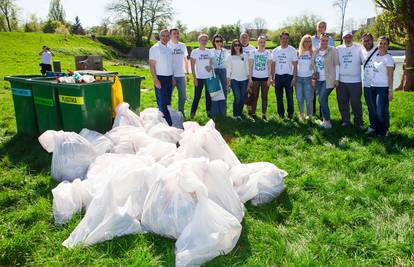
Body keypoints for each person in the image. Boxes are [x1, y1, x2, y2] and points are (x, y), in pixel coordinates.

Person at [311, 33, 339, 129]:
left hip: (329, 79)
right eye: (323, 40)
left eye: (326, 41)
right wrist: (314, 77)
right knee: (323, 100)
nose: (324, 42)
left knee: (321, 99)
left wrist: (337, 79)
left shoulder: (333, 50)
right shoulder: (316, 51)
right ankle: (324, 120)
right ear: (320, 40)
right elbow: (313, 64)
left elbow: (337, 65)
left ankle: (327, 121)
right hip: (319, 80)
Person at [336, 31, 364, 128]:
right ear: (343, 38)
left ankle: (359, 121)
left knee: (356, 102)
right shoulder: (338, 49)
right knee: (342, 102)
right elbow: (336, 64)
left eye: (349, 37)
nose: (347, 39)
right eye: (345, 37)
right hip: (341, 81)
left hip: (355, 81)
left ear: (352, 37)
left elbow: (364, 60)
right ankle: (345, 120)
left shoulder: (359, 47)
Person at [370, 36, 394, 137]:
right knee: (376, 111)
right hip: (373, 87)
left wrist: (390, 90)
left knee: (381, 111)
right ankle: (378, 131)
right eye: (381, 43)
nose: (382, 45)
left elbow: (390, 76)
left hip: (383, 88)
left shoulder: (388, 58)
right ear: (377, 44)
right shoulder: (375, 56)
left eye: (385, 43)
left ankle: (383, 132)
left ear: (388, 45)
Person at [149, 29, 174, 126]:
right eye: (163, 35)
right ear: (160, 36)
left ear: (169, 37)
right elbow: (152, 65)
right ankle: (169, 125)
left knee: (167, 102)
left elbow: (170, 65)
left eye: (167, 36)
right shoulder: (155, 48)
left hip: (169, 78)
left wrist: (172, 78)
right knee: (162, 103)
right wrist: (156, 79)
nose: (165, 37)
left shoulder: (169, 48)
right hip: (160, 78)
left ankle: (161, 122)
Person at [271, 32, 298, 119]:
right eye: (283, 38)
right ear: (280, 39)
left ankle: (290, 114)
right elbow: (273, 65)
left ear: (288, 39)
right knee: (279, 97)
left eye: (286, 38)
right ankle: (281, 114)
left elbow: (295, 65)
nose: (285, 40)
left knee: (289, 97)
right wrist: (272, 78)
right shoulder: (275, 51)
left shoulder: (292, 50)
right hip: (278, 76)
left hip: (288, 76)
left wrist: (294, 78)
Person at [312, 21, 335, 117]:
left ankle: (323, 116)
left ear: (325, 28)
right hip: (314, 69)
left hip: (326, 72)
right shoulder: (312, 39)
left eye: (323, 27)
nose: (321, 28)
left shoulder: (330, 40)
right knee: (313, 94)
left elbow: (333, 55)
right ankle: (312, 113)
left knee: (322, 96)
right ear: (316, 28)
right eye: (319, 26)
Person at [248, 36, 272, 120]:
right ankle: (253, 113)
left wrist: (269, 78)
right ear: (258, 43)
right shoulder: (253, 53)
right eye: (260, 42)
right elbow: (250, 66)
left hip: (265, 78)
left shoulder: (268, 53)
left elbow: (269, 66)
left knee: (264, 97)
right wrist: (250, 78)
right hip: (255, 78)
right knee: (254, 96)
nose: (262, 44)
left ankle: (264, 114)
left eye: (264, 42)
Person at [168, 28, 190, 117]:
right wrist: (172, 76)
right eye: (174, 33)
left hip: (181, 75)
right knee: (168, 96)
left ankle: (181, 114)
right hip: (170, 76)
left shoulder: (182, 45)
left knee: (183, 97)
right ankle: (167, 114)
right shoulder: (168, 46)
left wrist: (187, 73)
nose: (176, 35)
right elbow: (167, 62)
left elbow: (186, 60)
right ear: (170, 35)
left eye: (177, 33)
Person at [190, 34, 213, 119]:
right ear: (199, 41)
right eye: (202, 40)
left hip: (208, 77)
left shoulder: (209, 51)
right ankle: (192, 113)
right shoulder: (195, 52)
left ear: (207, 41)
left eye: (205, 40)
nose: (203, 42)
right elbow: (192, 66)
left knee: (208, 96)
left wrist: (210, 67)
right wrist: (194, 78)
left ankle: (209, 112)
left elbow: (211, 63)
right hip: (199, 78)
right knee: (197, 96)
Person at [226, 39, 249, 120]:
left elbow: (247, 68)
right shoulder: (230, 56)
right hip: (234, 79)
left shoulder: (245, 55)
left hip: (244, 79)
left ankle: (239, 113)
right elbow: (228, 69)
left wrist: (249, 79)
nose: (237, 47)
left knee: (242, 97)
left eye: (238, 45)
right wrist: (228, 80)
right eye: (235, 45)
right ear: (233, 46)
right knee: (238, 97)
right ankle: (235, 114)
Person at [360, 32, 378, 134]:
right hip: (366, 84)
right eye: (364, 41)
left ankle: (383, 128)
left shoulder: (378, 50)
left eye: (368, 40)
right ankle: (373, 126)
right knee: (370, 107)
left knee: (380, 108)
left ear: (372, 40)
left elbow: (390, 65)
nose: (367, 42)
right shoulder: (361, 52)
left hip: (379, 85)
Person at [296, 34, 315, 121]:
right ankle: (302, 114)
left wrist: (313, 78)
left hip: (309, 78)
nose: (307, 43)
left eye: (309, 41)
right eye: (305, 41)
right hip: (298, 79)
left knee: (308, 99)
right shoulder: (298, 52)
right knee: (299, 98)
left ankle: (310, 116)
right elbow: (294, 66)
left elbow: (316, 67)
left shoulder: (313, 52)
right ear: (302, 42)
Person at [210, 33, 228, 115]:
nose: (218, 42)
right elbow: (209, 63)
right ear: (214, 42)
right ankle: (215, 112)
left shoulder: (225, 51)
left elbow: (228, 64)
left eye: (220, 41)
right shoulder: (211, 51)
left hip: (223, 72)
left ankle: (223, 112)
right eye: (217, 41)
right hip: (214, 72)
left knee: (224, 92)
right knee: (215, 93)